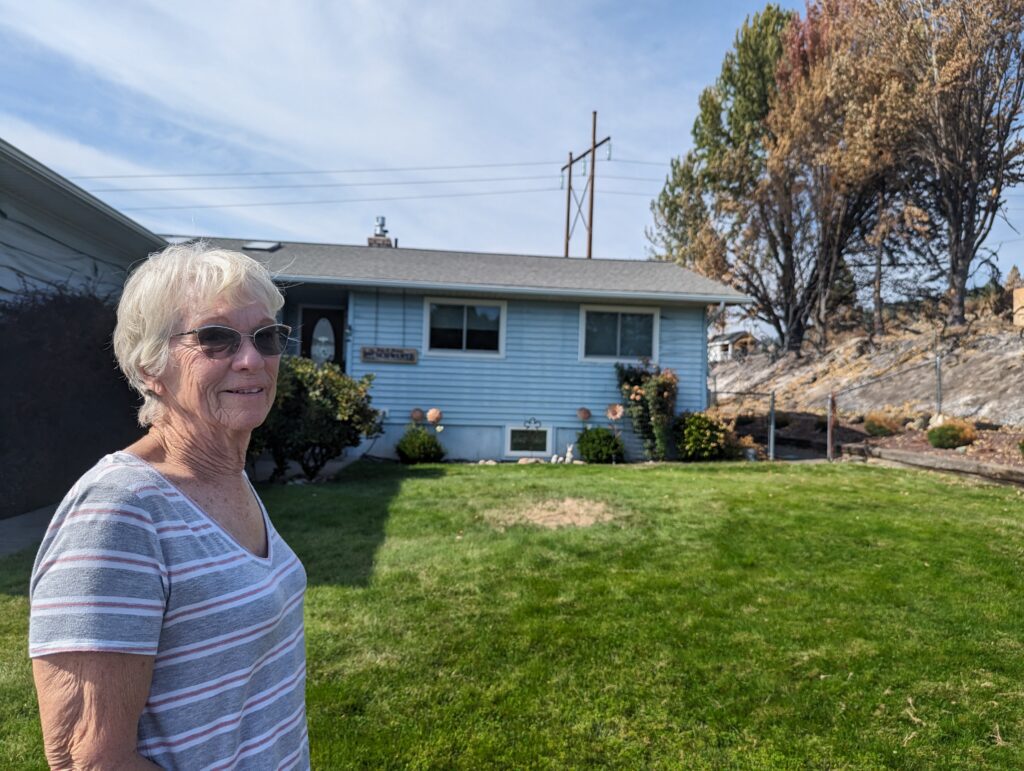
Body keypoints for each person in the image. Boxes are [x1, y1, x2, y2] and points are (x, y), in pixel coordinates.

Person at [28, 242, 309, 769]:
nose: (251, 359)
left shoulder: (226, 475)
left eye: (266, 337)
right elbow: (87, 759)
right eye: (216, 339)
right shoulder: (119, 510)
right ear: (150, 365)